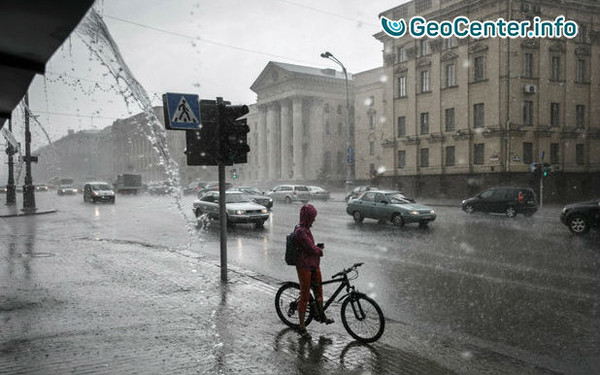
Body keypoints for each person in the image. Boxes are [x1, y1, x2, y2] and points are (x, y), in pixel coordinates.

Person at [294, 203, 333, 339]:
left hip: (314, 265)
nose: (314, 220)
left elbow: (309, 247)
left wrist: (316, 248)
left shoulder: (307, 229)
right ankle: (301, 326)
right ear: (307, 217)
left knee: (319, 291)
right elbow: (310, 248)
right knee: (305, 296)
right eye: (312, 217)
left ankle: (321, 316)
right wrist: (319, 250)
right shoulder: (300, 231)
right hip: (304, 266)